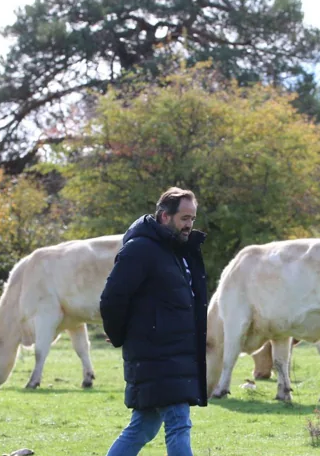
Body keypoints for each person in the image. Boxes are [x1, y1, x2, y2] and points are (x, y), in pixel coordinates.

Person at [99, 187, 209, 456]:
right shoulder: (140, 250)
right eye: (184, 218)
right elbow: (112, 299)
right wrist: (118, 334)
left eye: (192, 219)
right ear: (164, 216)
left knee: (143, 427)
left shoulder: (179, 251)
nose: (189, 225)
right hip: (158, 358)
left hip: (173, 359)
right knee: (179, 425)